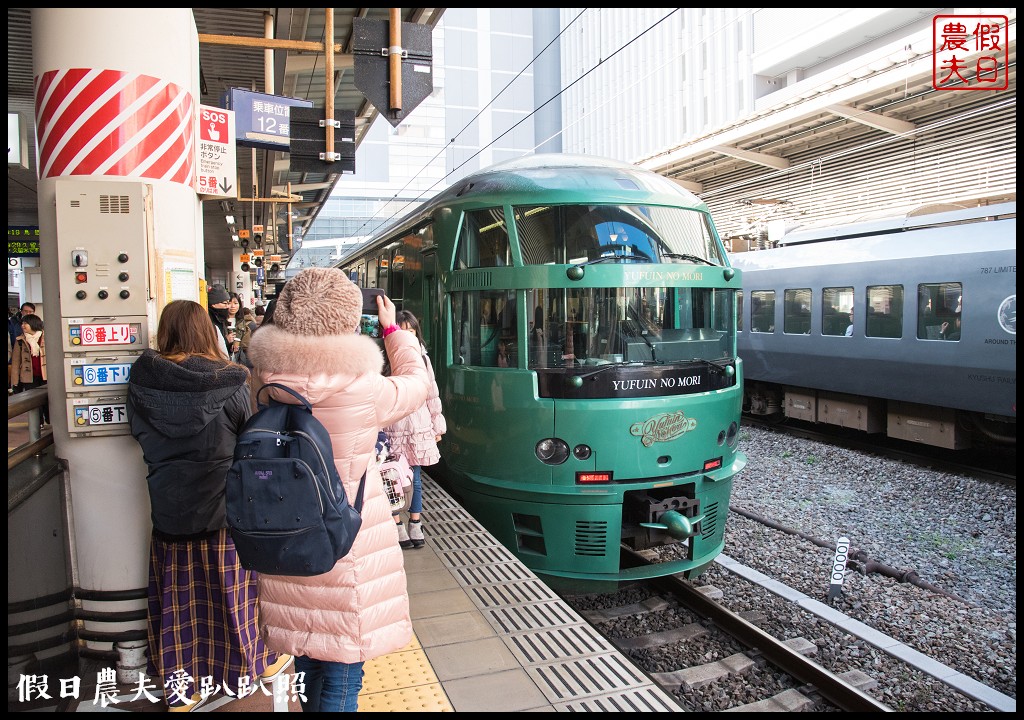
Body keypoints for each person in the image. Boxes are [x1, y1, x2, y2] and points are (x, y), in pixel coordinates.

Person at [247, 268, 431, 712]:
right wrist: (393, 331)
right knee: (345, 675)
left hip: (284, 537)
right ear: (349, 316)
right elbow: (417, 383)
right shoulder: (364, 388)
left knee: (308, 660)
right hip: (346, 543)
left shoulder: (265, 377)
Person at [125, 300, 291, 712]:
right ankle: (249, 664)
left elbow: (135, 432)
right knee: (233, 598)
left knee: (181, 601)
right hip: (224, 511)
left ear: (166, 332)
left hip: (169, 509)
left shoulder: (141, 380)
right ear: (206, 331)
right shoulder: (232, 379)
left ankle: (185, 683)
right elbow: (251, 439)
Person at [382, 310, 447, 550]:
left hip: (418, 426)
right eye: (402, 331)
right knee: (392, 476)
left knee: (415, 478)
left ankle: (415, 523)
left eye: (411, 331)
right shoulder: (383, 359)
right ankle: (397, 524)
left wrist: (436, 425)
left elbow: (432, 393)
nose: (407, 336)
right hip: (392, 426)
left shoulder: (423, 359)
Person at [11, 313, 49, 425]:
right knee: (33, 404)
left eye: (25, 323)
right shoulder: (20, 341)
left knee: (48, 401)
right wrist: (15, 382)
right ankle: (38, 423)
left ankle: (49, 420)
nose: (23, 325)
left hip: (46, 375)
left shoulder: (45, 337)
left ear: (33, 323)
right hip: (28, 377)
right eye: (22, 323)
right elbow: (16, 362)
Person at [226, 292, 253, 366]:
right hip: (224, 358)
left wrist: (239, 346)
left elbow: (246, 345)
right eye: (229, 303)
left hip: (238, 359)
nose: (232, 306)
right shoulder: (221, 321)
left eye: (235, 303)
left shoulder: (241, 322)